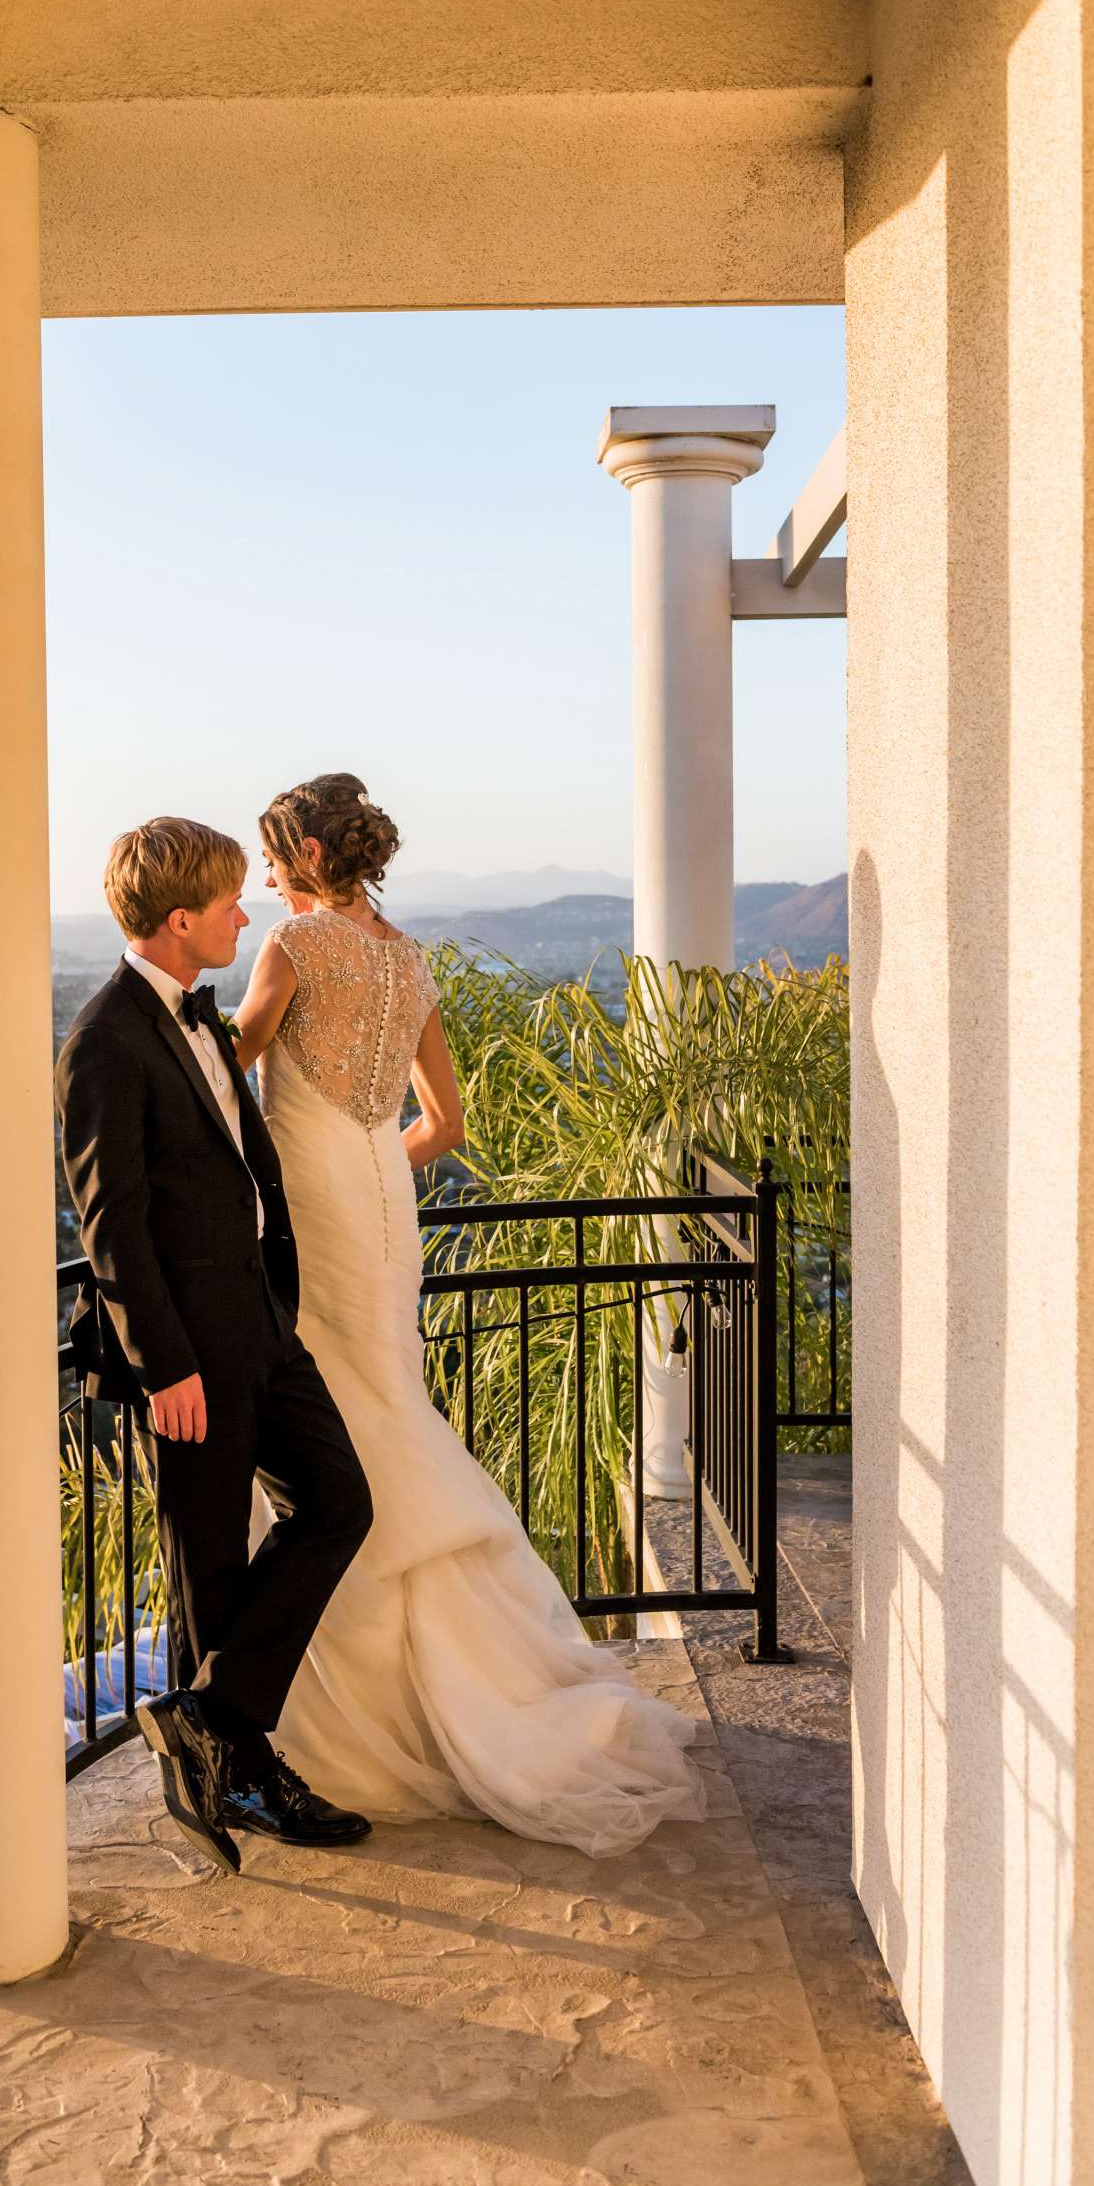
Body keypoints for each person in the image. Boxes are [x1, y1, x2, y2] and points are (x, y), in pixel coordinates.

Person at [230, 773, 705, 1856]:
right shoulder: (408, 960)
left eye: (269, 857)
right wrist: (365, 1166)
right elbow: (443, 1123)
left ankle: (342, 1706)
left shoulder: (294, 950)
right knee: (385, 1402)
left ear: (305, 853)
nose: (262, 878)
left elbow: (225, 1067)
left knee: (334, 1422)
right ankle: (449, 1665)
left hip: (317, 1208)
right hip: (384, 1205)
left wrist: (307, 1167)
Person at [55, 816, 375, 1874]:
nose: (249, 913)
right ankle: (238, 1775)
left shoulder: (195, 1018)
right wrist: (166, 1366)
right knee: (209, 1569)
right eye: (233, 901)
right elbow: (112, 1225)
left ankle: (212, 1718)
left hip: (264, 1329)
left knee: (339, 1502)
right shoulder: (104, 1040)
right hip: (191, 1350)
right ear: (181, 918)